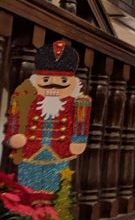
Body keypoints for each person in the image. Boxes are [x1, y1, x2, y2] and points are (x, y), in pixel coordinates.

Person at [5, 40, 91, 200]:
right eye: (46, 80)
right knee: (27, 186)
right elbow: (15, 119)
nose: (53, 85)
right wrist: (12, 137)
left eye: (63, 81)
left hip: (59, 153)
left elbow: (80, 123)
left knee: (55, 188)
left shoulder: (78, 103)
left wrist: (79, 140)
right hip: (30, 152)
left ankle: (49, 211)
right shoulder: (25, 98)